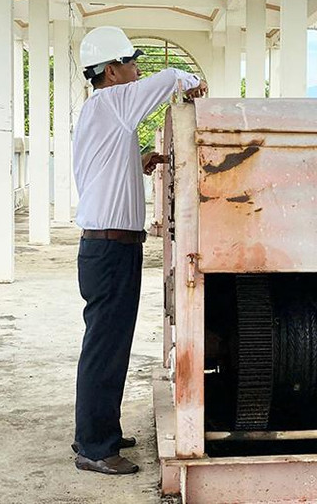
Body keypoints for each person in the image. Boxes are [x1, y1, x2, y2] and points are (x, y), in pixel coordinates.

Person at [71, 26, 207, 475]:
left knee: (112, 345)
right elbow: (169, 77)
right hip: (109, 250)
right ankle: (94, 447)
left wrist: (141, 161)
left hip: (112, 247)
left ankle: (101, 429)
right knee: (104, 347)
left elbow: (106, 172)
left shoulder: (105, 114)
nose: (137, 69)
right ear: (111, 71)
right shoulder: (112, 102)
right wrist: (192, 81)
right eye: (130, 62)